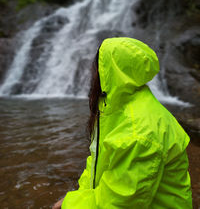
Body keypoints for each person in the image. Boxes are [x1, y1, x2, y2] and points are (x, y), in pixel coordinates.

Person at [53, 37, 192, 209]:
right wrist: (79, 196)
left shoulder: (138, 132)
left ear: (110, 71)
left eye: (98, 66)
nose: (92, 73)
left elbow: (121, 203)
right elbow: (96, 160)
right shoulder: (117, 109)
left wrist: (69, 204)